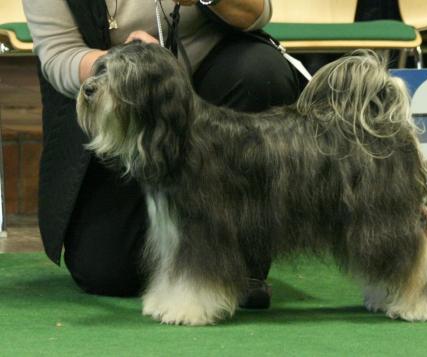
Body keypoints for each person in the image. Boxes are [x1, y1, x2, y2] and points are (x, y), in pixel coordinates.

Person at [22, 0, 303, 307]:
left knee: (260, 70)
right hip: (119, 104)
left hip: (213, 88)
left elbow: (257, 13)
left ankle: (243, 267)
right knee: (106, 272)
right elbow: (58, 55)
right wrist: (127, 67)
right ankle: (174, 255)